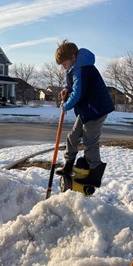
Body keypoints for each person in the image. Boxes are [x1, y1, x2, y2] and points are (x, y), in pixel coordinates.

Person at [55, 40, 115, 188]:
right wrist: (66, 89)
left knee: (90, 142)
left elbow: (78, 93)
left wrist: (66, 106)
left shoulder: (82, 69)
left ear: (74, 57)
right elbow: (72, 84)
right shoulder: (75, 68)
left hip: (96, 110)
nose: (64, 67)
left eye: (65, 64)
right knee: (73, 136)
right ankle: (68, 164)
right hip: (86, 110)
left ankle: (95, 173)